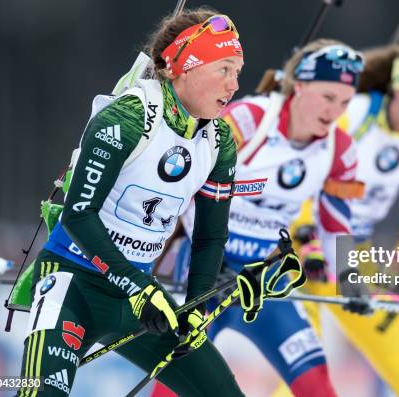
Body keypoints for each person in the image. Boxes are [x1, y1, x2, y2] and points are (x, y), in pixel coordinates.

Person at [16, 8, 248, 396]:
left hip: (138, 294)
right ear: (183, 68)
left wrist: (196, 309)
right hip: (73, 284)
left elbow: (210, 236)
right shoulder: (127, 118)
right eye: (223, 69)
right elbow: (78, 215)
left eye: (237, 71)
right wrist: (138, 286)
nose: (235, 84)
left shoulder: (219, 141)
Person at [152, 39, 365, 397]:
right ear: (299, 86)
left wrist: (349, 278)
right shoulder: (249, 120)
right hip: (207, 274)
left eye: (344, 103)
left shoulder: (339, 150)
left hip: (265, 281)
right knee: (174, 388)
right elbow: (187, 184)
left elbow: (336, 225)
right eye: (328, 98)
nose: (335, 112)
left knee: (319, 388)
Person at [278, 41, 399, 397]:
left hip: (354, 253)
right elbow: (300, 168)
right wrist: (308, 235)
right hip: (299, 250)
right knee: (302, 376)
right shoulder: (353, 115)